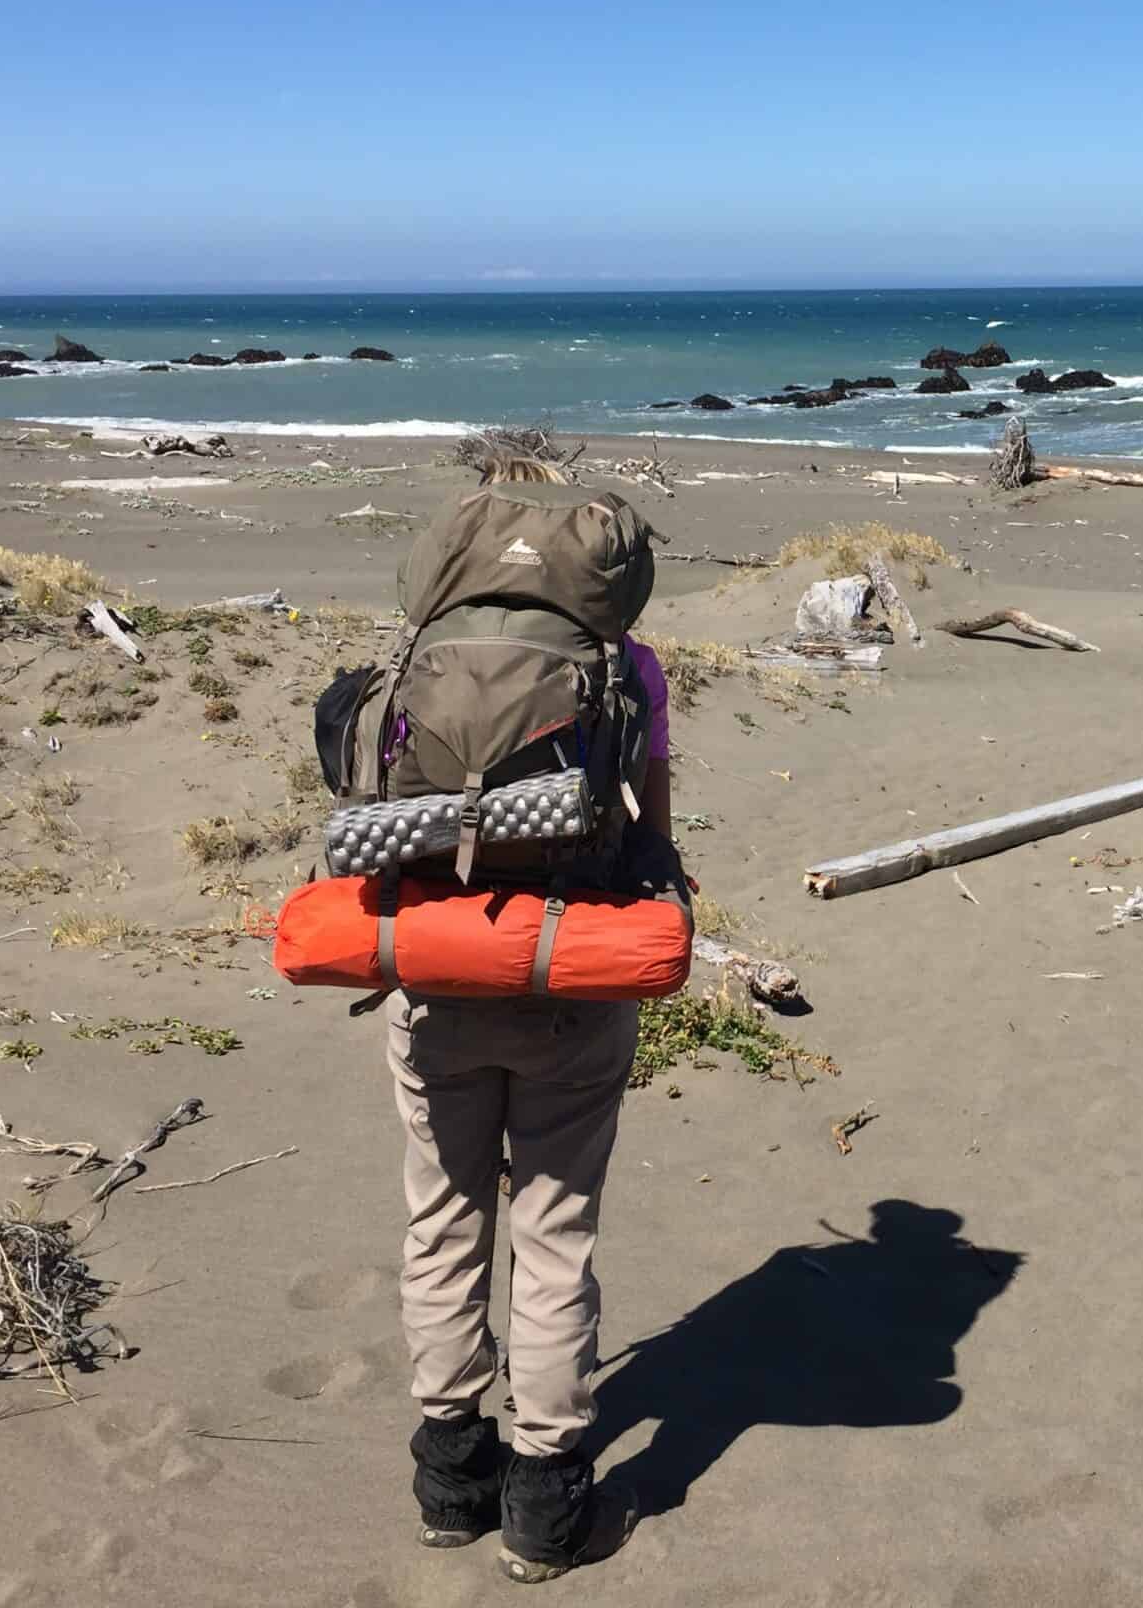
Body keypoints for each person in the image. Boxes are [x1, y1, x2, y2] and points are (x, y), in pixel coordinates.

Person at [394, 453, 672, 1583]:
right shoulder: (626, 665)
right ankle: (546, 1508)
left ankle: (451, 1482)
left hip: (432, 970)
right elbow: (654, 817)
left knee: (442, 1218)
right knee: (554, 1235)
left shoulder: (419, 653)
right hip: (571, 969)